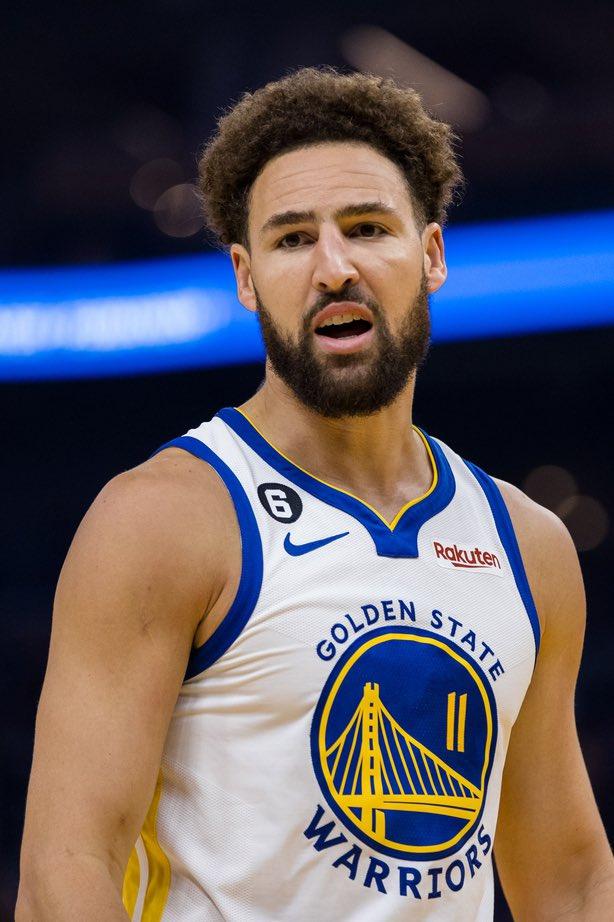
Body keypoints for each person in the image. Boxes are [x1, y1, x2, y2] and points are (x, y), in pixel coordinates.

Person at [17, 67, 613, 922]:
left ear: (432, 255)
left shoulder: (530, 545)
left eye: (367, 228)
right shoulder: (163, 520)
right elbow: (64, 874)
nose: (335, 268)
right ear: (246, 276)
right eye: (294, 239)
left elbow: (570, 880)